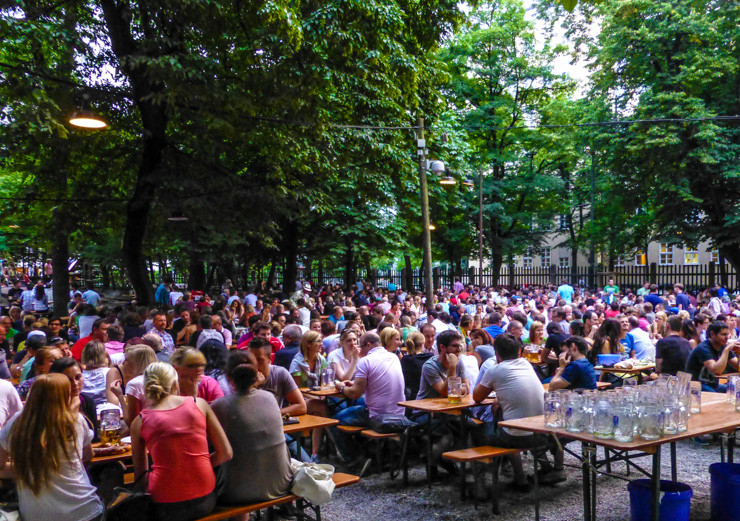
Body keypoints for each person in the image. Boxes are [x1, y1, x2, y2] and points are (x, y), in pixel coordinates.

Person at [130, 362, 232, 521]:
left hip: (164, 504)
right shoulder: (199, 404)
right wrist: (198, 466)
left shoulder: (139, 421)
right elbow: (226, 453)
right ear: (175, 383)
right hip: (205, 499)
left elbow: (140, 478)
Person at [0, 373, 104, 521]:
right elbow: (87, 455)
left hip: (38, 515)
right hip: (84, 510)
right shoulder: (76, 421)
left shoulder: (17, 423)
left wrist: (30, 468)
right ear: (64, 396)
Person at [473, 333, 561, 487]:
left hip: (518, 437)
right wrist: (500, 398)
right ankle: (547, 470)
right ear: (519, 352)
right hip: (543, 433)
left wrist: (498, 398)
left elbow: (477, 397)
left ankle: (515, 479)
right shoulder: (526, 364)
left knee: (484, 430)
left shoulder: (494, 370)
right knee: (520, 424)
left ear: (497, 354)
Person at [212, 351, 293, 503]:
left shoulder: (219, 406)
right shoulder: (270, 398)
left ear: (229, 378)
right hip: (281, 484)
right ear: (256, 374)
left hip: (236, 492)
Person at [335, 332, 407, 426]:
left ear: (368, 345)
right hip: (399, 414)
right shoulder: (393, 357)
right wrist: (355, 383)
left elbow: (355, 393)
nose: (360, 350)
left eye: (361, 347)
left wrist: (341, 387)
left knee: (333, 421)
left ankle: (349, 441)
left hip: (377, 416)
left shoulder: (366, 361)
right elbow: (378, 379)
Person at [290, 330, 329, 461]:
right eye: (318, 341)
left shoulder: (321, 359)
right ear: (308, 344)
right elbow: (297, 391)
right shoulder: (297, 363)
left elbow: (325, 381)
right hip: (299, 402)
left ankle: (314, 453)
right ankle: (327, 446)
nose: (321, 344)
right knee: (322, 408)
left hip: (316, 398)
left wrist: (321, 394)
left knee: (320, 411)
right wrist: (317, 397)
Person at [248, 337, 307, 416]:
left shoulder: (280, 373)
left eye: (259, 360)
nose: (254, 364)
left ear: (269, 359)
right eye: (251, 360)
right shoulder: (244, 375)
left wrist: (273, 414)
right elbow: (240, 408)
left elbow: (301, 407)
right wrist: (254, 385)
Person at [51, 357, 99, 441]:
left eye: (78, 377)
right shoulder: (51, 404)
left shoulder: (87, 402)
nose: (75, 383)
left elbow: (94, 438)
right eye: (68, 379)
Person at [109, 345, 158, 426]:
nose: (123, 363)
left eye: (127, 360)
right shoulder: (163, 379)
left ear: (137, 363)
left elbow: (132, 423)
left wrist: (120, 396)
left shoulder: (135, 384)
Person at [685, 321, 740, 392]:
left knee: (737, 390)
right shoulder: (703, 348)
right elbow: (717, 371)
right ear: (712, 334)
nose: (727, 338)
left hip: (712, 384)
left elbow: (737, 366)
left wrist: (739, 355)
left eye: (727, 334)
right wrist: (726, 350)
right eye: (723, 334)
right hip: (695, 384)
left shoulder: (723, 346)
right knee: (717, 395)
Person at [416, 330, 468, 400]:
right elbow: (446, 392)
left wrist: (453, 390)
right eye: (455, 346)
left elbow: (467, 388)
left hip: (447, 407)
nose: (459, 350)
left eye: (459, 346)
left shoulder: (459, 361)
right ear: (442, 347)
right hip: (426, 409)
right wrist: (452, 367)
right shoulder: (429, 366)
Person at [400, 331, 433, 400]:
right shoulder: (431, 358)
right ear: (422, 345)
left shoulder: (405, 360)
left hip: (412, 399)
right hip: (430, 397)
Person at [81, 341, 111, 407]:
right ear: (104, 355)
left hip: (85, 410)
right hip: (107, 409)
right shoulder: (110, 373)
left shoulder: (79, 376)